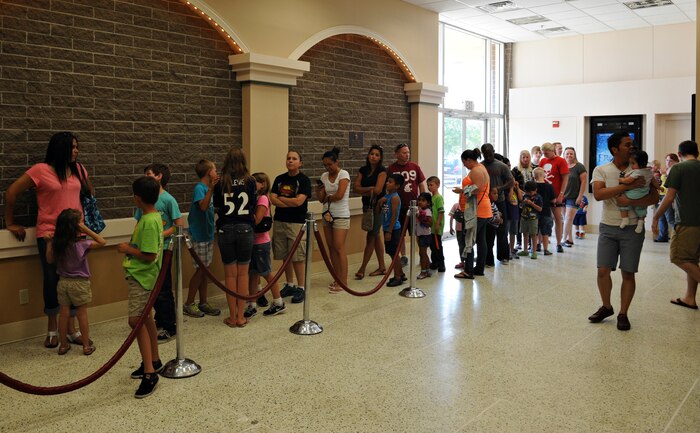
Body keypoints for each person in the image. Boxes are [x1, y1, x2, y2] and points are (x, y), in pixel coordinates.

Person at [4, 132, 86, 348]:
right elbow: (11, 192)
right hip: (49, 233)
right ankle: (52, 328)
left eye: (77, 147)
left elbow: (85, 195)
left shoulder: (78, 169)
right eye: (73, 147)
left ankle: (71, 328)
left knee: (74, 280)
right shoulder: (41, 170)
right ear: (61, 149)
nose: (76, 151)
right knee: (51, 280)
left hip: (76, 233)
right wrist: (9, 223)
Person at [588, 132, 658, 331]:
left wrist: (631, 201)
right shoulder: (601, 169)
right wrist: (623, 187)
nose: (632, 147)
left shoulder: (641, 169)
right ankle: (607, 306)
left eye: (632, 144)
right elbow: (599, 194)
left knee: (628, 272)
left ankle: (623, 313)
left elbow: (654, 198)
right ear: (614, 149)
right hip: (608, 226)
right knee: (603, 270)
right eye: (627, 144)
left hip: (633, 229)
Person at [118, 176, 163, 399]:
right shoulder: (154, 217)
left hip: (142, 277)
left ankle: (149, 373)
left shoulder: (147, 221)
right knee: (146, 318)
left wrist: (127, 248)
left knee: (135, 320)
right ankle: (153, 359)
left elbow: (149, 255)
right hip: (146, 277)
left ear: (137, 198)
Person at [47, 209, 106, 356]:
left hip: (63, 283)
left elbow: (49, 260)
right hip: (80, 283)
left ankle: (63, 345)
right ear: (76, 227)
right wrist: (86, 229)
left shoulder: (57, 244)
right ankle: (86, 346)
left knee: (64, 314)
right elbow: (102, 242)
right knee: (82, 314)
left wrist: (49, 242)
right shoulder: (81, 245)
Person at [137, 163, 183, 343]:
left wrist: (160, 235)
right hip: (149, 249)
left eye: (149, 174)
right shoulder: (144, 200)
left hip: (164, 249)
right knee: (152, 287)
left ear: (159, 176)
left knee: (163, 288)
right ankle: (160, 320)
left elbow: (178, 224)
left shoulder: (168, 200)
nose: (146, 178)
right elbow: (139, 222)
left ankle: (169, 326)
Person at [652, 141, 700, 309]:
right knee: (692, 260)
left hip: (687, 221)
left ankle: (690, 297)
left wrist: (656, 216)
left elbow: (669, 196)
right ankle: (689, 298)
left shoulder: (678, 168)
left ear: (679, 155)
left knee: (678, 257)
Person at [213, 147, 257, 328]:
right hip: (245, 228)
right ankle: (241, 316)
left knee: (230, 275)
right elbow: (253, 205)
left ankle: (232, 317)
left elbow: (216, 206)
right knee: (243, 273)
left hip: (225, 228)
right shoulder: (250, 180)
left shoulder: (220, 181)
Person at [271, 150, 311, 304]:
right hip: (280, 221)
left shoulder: (304, 180)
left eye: (294, 159)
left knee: (297, 257)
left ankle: (301, 287)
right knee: (285, 256)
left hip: (297, 223)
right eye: (288, 158)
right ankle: (290, 284)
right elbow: (273, 199)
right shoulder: (279, 179)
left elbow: (299, 202)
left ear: (300, 163)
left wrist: (282, 199)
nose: (290, 161)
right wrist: (288, 201)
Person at [184, 160, 221, 318]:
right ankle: (189, 303)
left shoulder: (208, 189)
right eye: (214, 169)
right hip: (198, 235)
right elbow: (203, 206)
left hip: (207, 234)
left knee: (205, 270)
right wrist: (211, 189)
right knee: (201, 270)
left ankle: (203, 302)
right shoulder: (200, 188)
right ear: (208, 173)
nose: (216, 171)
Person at [247, 172, 285, 317]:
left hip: (261, 243)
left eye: (255, 181)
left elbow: (256, 220)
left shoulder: (262, 199)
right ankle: (252, 304)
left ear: (262, 184)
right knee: (253, 274)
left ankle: (278, 302)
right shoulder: (253, 198)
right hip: (253, 241)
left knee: (266, 273)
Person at [453, 148, 491, 279]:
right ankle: (479, 268)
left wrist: (461, 190)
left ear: (469, 160)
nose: (464, 165)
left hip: (476, 210)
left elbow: (477, 189)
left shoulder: (476, 171)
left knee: (468, 240)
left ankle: (468, 271)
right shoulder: (482, 168)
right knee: (481, 240)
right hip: (484, 209)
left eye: (464, 162)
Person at [386, 143, 426, 266]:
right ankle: (403, 256)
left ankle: (422, 255)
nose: (407, 155)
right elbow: (388, 187)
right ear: (397, 154)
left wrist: (422, 202)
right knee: (400, 234)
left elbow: (421, 184)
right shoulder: (391, 169)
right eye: (404, 152)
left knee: (417, 232)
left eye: (408, 152)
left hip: (414, 206)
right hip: (399, 207)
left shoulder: (415, 167)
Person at [318, 147, 351, 293]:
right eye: (325, 165)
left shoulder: (343, 174)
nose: (327, 167)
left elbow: (339, 195)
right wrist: (320, 191)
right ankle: (337, 277)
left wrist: (328, 197)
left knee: (339, 247)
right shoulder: (324, 176)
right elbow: (320, 198)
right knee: (331, 247)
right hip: (327, 215)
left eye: (330, 164)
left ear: (337, 162)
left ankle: (343, 281)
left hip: (341, 215)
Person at [354, 145, 387, 279]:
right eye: (372, 154)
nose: (374, 156)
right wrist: (370, 189)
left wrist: (365, 189)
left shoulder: (382, 171)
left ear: (380, 158)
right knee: (376, 235)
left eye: (377, 155)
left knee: (371, 236)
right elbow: (355, 188)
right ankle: (382, 266)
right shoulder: (363, 170)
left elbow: (378, 190)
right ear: (368, 155)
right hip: (366, 206)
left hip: (378, 206)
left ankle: (362, 268)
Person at [481, 143, 513, 266]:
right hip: (485, 203)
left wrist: (500, 188)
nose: (488, 156)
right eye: (486, 154)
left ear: (494, 151)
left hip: (500, 201)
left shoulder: (501, 166)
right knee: (487, 232)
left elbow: (511, 181)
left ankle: (504, 256)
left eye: (490, 154)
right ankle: (488, 259)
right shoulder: (481, 166)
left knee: (502, 229)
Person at [538, 142, 569, 253]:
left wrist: (561, 194)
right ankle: (539, 242)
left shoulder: (561, 161)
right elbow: (539, 176)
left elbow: (565, 179)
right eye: (543, 153)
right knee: (541, 219)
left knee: (558, 219)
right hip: (543, 195)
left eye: (546, 153)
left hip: (556, 194)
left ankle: (559, 243)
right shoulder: (543, 161)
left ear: (552, 151)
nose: (544, 155)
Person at [379, 174, 405, 287]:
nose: (387, 183)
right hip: (386, 227)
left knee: (394, 254)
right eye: (387, 181)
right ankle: (401, 274)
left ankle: (398, 276)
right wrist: (381, 202)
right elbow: (380, 211)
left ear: (397, 186)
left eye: (390, 182)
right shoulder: (387, 196)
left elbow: (394, 215)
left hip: (393, 229)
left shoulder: (394, 197)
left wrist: (389, 231)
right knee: (391, 252)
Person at [618, 150, 653, 233]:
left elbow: (628, 181)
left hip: (632, 194)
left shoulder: (637, 172)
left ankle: (625, 219)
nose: (632, 166)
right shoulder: (649, 172)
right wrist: (659, 187)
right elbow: (654, 182)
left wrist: (621, 179)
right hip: (644, 194)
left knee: (622, 202)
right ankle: (640, 223)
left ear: (640, 164)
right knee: (641, 209)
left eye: (633, 163)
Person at [562, 147, 588, 246]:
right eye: (567, 153)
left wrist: (580, 196)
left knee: (568, 218)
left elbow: (584, 182)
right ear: (564, 155)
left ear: (574, 155)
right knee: (565, 219)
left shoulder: (579, 166)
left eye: (571, 154)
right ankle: (570, 239)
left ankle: (563, 240)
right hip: (562, 196)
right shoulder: (562, 165)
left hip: (573, 197)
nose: (569, 155)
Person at [655, 153, 680, 242]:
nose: (668, 162)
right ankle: (663, 236)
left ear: (676, 161)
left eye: (670, 160)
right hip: (662, 195)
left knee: (670, 218)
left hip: (668, 196)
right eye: (667, 160)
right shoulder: (666, 170)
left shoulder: (675, 170)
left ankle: (679, 236)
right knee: (662, 217)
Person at [517, 181, 543, 260]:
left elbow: (540, 209)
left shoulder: (538, 197)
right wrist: (523, 203)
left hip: (533, 219)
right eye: (527, 192)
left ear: (536, 190)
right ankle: (525, 250)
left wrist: (532, 204)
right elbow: (520, 204)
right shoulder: (525, 196)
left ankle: (534, 251)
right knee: (525, 234)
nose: (529, 193)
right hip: (524, 217)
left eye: (531, 192)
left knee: (533, 235)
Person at [534, 167, 555, 255]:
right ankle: (546, 249)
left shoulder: (533, 186)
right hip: (546, 211)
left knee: (535, 231)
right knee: (545, 232)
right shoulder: (549, 186)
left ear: (534, 177)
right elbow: (553, 200)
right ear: (544, 175)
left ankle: (535, 248)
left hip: (534, 212)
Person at [426, 176, 445, 272]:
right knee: (432, 245)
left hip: (437, 226)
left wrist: (437, 223)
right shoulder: (432, 197)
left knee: (437, 245)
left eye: (431, 185)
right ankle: (435, 262)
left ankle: (441, 264)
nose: (429, 187)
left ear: (438, 185)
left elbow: (441, 211)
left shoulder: (438, 198)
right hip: (432, 226)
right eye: (428, 185)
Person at [415, 192, 433, 280]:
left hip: (425, 235)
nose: (420, 202)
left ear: (428, 203)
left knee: (422, 254)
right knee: (423, 253)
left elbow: (430, 224)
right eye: (419, 200)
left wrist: (421, 217)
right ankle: (427, 269)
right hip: (420, 234)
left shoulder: (427, 211)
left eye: (423, 200)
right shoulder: (420, 210)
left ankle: (423, 271)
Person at [449, 202, 464, 269]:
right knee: (461, 246)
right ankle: (463, 262)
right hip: (459, 230)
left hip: (467, 229)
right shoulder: (456, 205)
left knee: (466, 246)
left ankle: (466, 262)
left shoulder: (468, 204)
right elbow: (451, 216)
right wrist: (451, 227)